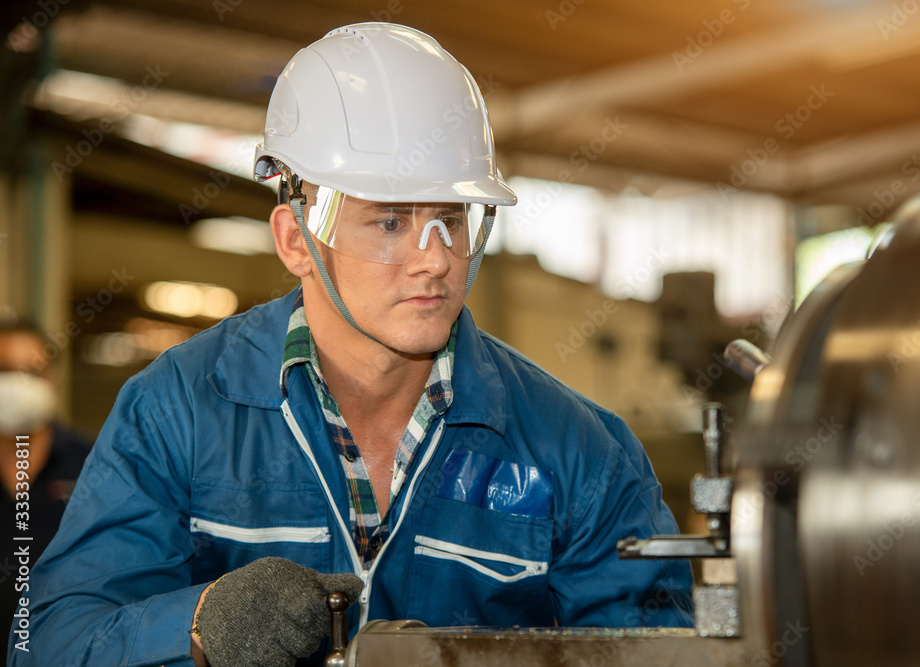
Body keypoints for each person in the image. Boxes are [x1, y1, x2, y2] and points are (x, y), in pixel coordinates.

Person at [9, 23, 693, 666]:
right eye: (390, 222)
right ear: (294, 240)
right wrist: (199, 622)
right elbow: (46, 639)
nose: (435, 259)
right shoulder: (178, 411)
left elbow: (655, 651)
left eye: (451, 220)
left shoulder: (579, 451)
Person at [0, 322, 92, 632]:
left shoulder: (93, 463)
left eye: (33, 371)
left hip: (61, 646)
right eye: (6, 371)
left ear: (53, 378)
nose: (19, 384)